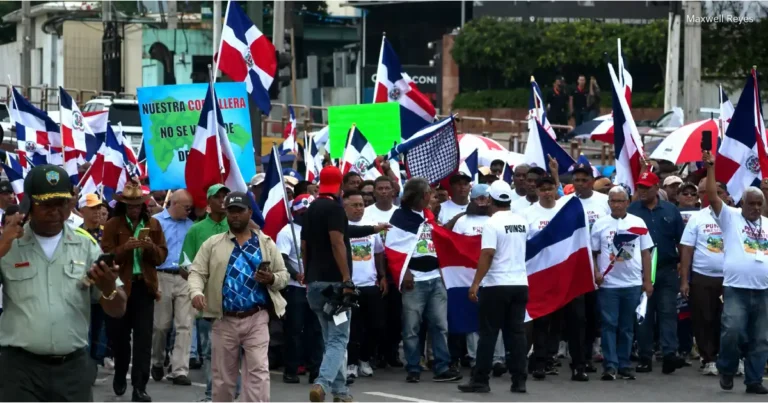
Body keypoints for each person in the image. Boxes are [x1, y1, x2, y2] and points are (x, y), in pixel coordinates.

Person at [0, 165, 127, 401]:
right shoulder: (9, 244)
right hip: (19, 371)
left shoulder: (86, 245)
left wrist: (109, 288)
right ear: (28, 204)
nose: (55, 211)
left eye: (61, 203)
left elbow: (118, 309)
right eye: (46, 204)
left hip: (73, 370)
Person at [188, 191, 288, 402]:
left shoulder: (266, 243)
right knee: (223, 378)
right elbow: (196, 272)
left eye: (240, 211)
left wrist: (270, 279)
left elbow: (284, 275)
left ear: (249, 212)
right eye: (231, 211)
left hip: (257, 317)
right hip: (224, 319)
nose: (235, 216)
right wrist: (196, 292)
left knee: (258, 372)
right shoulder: (213, 244)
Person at [302, 166, 389, 402]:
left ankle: (341, 392)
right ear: (339, 186)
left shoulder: (310, 209)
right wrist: (347, 279)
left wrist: (305, 271)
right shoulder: (335, 209)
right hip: (335, 287)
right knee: (339, 339)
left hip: (314, 285)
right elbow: (338, 242)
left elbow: (305, 245)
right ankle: (322, 384)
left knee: (330, 339)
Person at [701, 151, 768, 394]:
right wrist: (710, 169)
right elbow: (711, 196)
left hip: (764, 291)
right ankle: (727, 369)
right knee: (732, 331)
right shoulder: (730, 218)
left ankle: (753, 380)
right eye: (752, 203)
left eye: (760, 204)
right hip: (736, 289)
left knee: (761, 339)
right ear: (742, 203)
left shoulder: (767, 224)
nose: (756, 208)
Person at [458, 180, 529, 394]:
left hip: (496, 284)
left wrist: (476, 283)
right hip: (519, 283)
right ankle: (519, 381)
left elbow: (488, 253)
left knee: (488, 334)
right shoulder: (521, 221)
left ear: (490, 199)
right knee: (516, 334)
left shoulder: (492, 223)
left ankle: (480, 380)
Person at [102, 180, 169, 402]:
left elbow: (161, 257)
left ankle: (140, 386)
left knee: (143, 340)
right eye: (130, 206)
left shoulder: (154, 225)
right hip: (121, 287)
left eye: (137, 205)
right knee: (120, 337)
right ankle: (121, 373)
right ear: (123, 206)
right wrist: (124, 249)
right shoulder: (113, 225)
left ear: (143, 206)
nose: (134, 209)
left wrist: (150, 247)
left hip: (144, 287)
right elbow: (105, 256)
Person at [395, 178, 462, 384]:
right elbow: (395, 248)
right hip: (414, 280)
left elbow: (440, 239)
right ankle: (413, 367)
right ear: (421, 196)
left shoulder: (429, 216)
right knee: (412, 327)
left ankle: (442, 366)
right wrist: (404, 272)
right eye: (429, 194)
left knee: (440, 325)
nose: (431, 197)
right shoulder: (399, 218)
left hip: (435, 279)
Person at [591, 186, 653, 381]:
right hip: (608, 285)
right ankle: (610, 365)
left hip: (632, 283)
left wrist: (647, 280)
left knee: (627, 326)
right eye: (613, 201)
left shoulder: (638, 222)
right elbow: (593, 253)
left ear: (627, 202)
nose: (617, 205)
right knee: (609, 324)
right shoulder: (600, 224)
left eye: (620, 201)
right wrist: (596, 272)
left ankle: (624, 364)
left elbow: (646, 253)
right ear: (609, 203)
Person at [628, 171, 684, 374]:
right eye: (639, 187)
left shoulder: (671, 210)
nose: (642, 191)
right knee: (644, 313)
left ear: (656, 187)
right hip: (641, 270)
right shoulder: (632, 210)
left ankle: (669, 354)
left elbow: (681, 242)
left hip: (667, 269)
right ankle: (645, 356)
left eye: (646, 187)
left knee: (668, 311)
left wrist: (683, 270)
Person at [180, 184, 232, 401]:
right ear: (208, 202)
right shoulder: (196, 230)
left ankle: (233, 394)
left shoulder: (238, 225)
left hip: (235, 301)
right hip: (207, 303)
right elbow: (184, 265)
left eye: (225, 196)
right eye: (217, 196)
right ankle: (213, 394)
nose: (222, 200)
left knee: (233, 352)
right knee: (211, 352)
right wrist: (198, 286)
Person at [447, 185, 506, 374]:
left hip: (495, 277)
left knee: (495, 320)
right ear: (471, 200)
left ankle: (497, 359)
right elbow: (453, 247)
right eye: (477, 198)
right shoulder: (462, 221)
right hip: (468, 278)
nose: (481, 202)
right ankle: (474, 358)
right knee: (472, 319)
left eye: (485, 198)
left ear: (491, 200)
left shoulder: (496, 220)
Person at [679, 181, 726, 377]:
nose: (714, 195)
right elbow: (687, 249)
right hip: (702, 277)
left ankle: (732, 358)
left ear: (725, 194)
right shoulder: (697, 218)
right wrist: (684, 280)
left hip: (730, 278)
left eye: (718, 192)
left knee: (728, 321)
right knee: (704, 319)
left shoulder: (734, 216)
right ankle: (709, 359)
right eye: (709, 192)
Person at [150, 190, 195, 386]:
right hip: (162, 275)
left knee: (184, 325)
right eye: (187, 208)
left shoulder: (191, 226)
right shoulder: (156, 222)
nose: (189, 211)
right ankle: (158, 361)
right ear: (174, 204)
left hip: (185, 277)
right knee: (160, 325)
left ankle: (179, 370)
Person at [277, 194, 322, 384]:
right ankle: (291, 369)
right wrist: (297, 275)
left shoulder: (320, 230)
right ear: (294, 212)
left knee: (316, 330)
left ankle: (316, 370)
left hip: (317, 287)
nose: (305, 215)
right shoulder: (287, 232)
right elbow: (283, 258)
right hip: (296, 289)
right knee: (294, 331)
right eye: (302, 212)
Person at [523, 176, 565, 379]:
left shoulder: (564, 211)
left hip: (560, 272)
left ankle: (550, 357)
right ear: (537, 191)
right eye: (543, 189)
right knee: (540, 319)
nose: (547, 192)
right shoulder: (528, 214)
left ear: (556, 188)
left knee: (557, 321)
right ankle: (538, 361)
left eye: (550, 188)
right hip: (537, 274)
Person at [344, 190, 386, 378]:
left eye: (361, 205)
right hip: (350, 286)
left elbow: (378, 253)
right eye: (354, 205)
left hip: (370, 285)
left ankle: (364, 359)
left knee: (375, 326)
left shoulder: (372, 227)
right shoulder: (341, 228)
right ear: (345, 206)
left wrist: (383, 276)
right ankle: (351, 363)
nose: (359, 208)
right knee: (352, 328)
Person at [363, 176, 403, 368]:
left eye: (388, 188)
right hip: (374, 267)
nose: (384, 191)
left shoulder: (400, 213)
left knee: (396, 315)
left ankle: (392, 352)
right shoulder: (368, 213)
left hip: (397, 268)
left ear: (393, 191)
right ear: (374, 192)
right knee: (376, 315)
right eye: (380, 188)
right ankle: (374, 352)